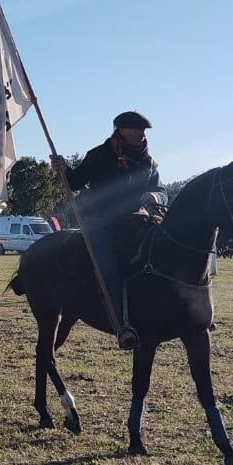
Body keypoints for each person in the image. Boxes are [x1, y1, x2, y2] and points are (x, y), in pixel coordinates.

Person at [50, 110, 161, 350]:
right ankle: (122, 325)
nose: (142, 135)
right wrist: (64, 169)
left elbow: (160, 189)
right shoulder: (99, 155)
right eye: (137, 130)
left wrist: (153, 194)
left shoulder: (148, 162)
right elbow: (76, 182)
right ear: (121, 129)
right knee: (109, 268)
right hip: (101, 222)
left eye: (144, 131)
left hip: (138, 220)